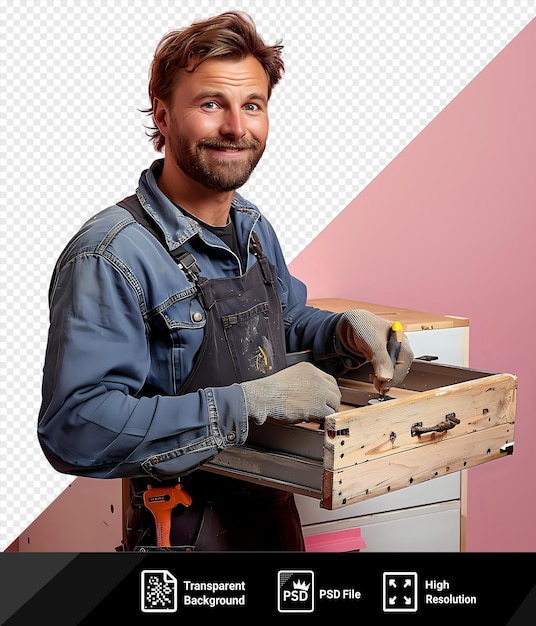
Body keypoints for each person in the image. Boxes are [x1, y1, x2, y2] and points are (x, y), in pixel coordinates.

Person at [37, 11, 413, 551]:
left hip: (273, 523)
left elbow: (280, 322)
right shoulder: (111, 254)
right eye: (212, 103)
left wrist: (343, 333)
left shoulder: (252, 226)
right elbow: (76, 428)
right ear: (163, 117)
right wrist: (246, 403)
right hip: (182, 535)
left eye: (252, 106)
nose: (237, 127)